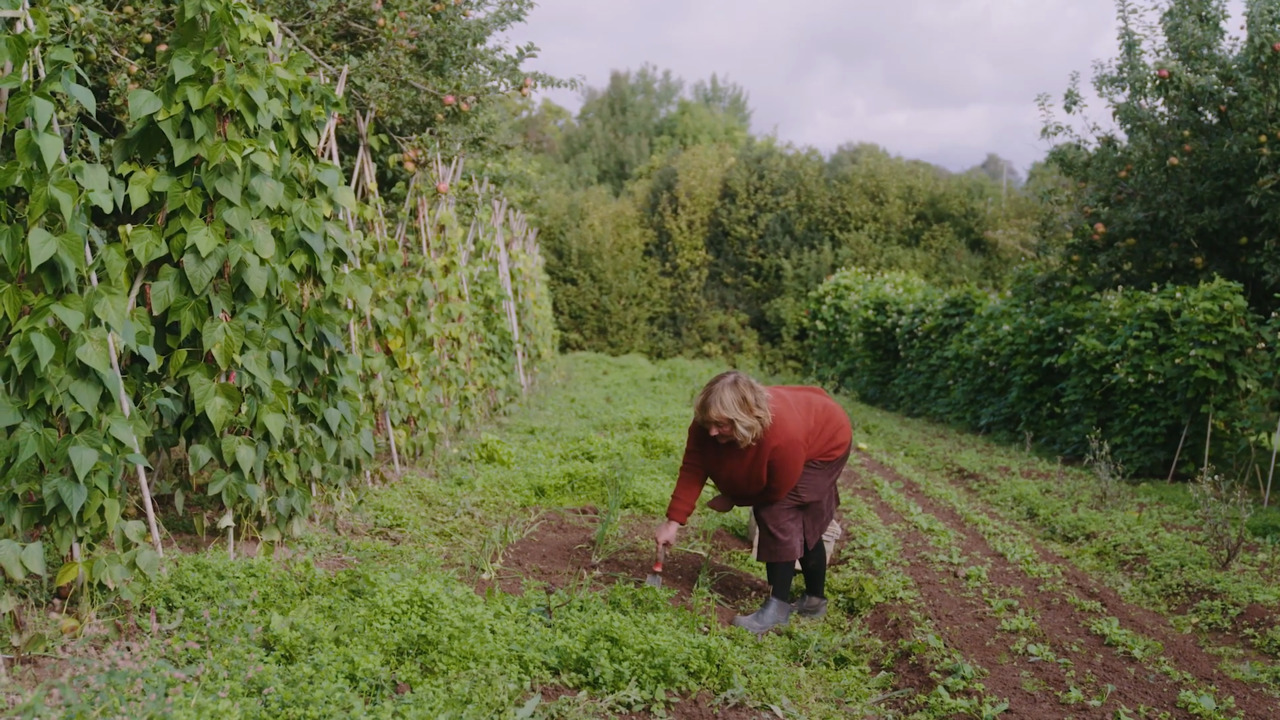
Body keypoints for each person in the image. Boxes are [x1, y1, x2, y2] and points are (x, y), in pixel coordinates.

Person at [654, 370, 853, 634]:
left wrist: (734, 498)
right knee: (805, 525)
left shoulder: (783, 436)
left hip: (826, 445)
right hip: (805, 427)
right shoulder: (708, 423)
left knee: (778, 513)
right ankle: (814, 602)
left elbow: (775, 492)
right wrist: (673, 521)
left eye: (721, 425)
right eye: (708, 422)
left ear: (744, 419)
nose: (712, 431)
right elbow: (694, 466)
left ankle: (777, 609)